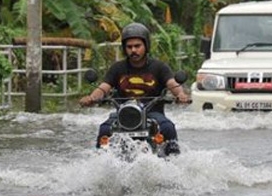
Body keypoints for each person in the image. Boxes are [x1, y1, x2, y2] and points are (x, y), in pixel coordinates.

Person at [79, 22, 190, 154]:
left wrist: (181, 95)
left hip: (152, 113)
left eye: (137, 46)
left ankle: (175, 162)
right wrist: (91, 98)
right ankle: (101, 163)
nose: (133, 50)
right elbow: (104, 88)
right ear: (124, 48)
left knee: (168, 128)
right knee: (104, 130)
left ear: (146, 46)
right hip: (123, 115)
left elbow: (172, 84)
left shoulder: (159, 67)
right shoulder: (117, 68)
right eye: (129, 47)